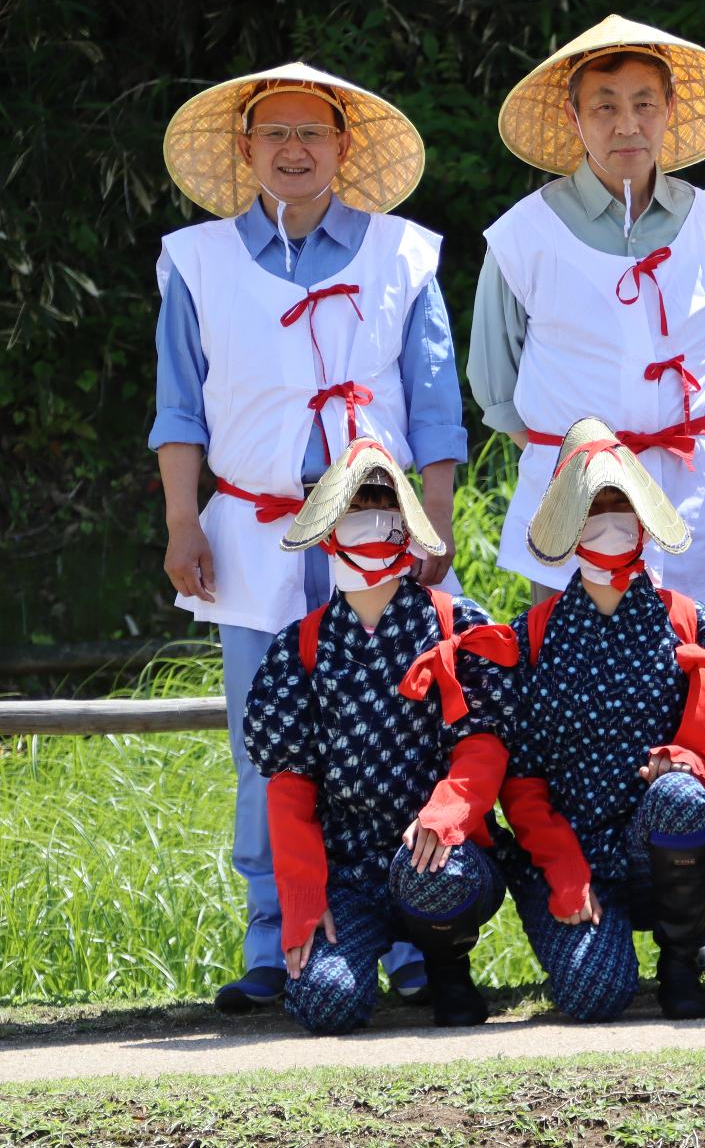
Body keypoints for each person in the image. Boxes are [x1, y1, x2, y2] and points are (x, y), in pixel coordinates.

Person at [153, 62, 466, 1013]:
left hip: (379, 537)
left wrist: (438, 528)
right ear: (245, 150)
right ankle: (275, 935)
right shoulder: (197, 262)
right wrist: (179, 521)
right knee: (268, 745)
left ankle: (408, 933)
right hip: (250, 531)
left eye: (313, 133)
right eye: (274, 134)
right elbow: (178, 408)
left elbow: (436, 408)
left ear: (344, 147)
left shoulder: (404, 255)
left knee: (402, 733)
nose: (294, 149)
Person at [471, 14, 705, 625]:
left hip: (690, 493)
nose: (627, 124)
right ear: (574, 118)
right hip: (570, 499)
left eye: (644, 103)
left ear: (670, 108)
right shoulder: (525, 236)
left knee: (699, 677)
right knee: (570, 687)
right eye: (604, 107)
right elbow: (497, 391)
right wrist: (586, 452)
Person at [244, 440, 516, 1034]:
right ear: (329, 532)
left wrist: (447, 814)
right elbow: (289, 786)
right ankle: (344, 968)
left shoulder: (454, 623)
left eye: (385, 515)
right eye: (356, 514)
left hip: (438, 853)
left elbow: (483, 743)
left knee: (438, 875)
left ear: (407, 529)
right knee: (326, 1006)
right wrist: (301, 898)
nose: (372, 528)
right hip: (345, 871)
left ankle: (448, 967)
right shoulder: (300, 648)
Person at [489, 418, 705, 1021]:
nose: (609, 520)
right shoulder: (533, 638)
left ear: (642, 516)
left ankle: (682, 961)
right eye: (593, 507)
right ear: (570, 524)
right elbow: (520, 781)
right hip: (570, 857)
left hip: (656, 846)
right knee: (594, 996)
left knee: (683, 797)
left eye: (620, 504)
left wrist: (684, 763)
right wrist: (564, 869)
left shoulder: (693, 623)